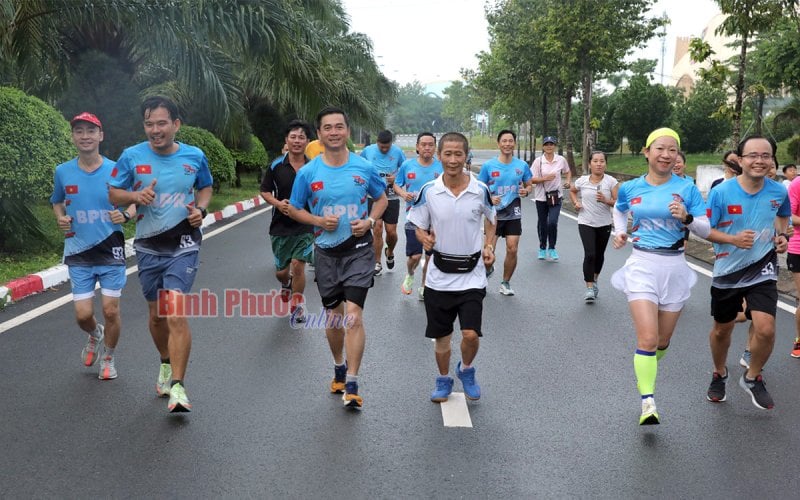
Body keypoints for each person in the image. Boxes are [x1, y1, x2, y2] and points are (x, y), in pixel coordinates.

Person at [108, 96, 213, 413]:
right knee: (157, 315)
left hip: (183, 243)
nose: (155, 130)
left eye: (162, 123)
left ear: (176, 124)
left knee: (175, 311)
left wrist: (202, 210)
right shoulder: (131, 156)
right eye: (149, 124)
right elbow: (113, 194)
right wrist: (135, 195)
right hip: (148, 245)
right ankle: (165, 362)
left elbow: (205, 187)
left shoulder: (194, 156)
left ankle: (178, 387)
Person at [288, 106, 387, 409]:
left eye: (339, 127)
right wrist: (318, 222)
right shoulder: (308, 173)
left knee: (354, 315)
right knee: (334, 318)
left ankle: (354, 382)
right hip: (326, 252)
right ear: (319, 134)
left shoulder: (363, 168)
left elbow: (381, 198)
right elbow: (294, 208)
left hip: (358, 250)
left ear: (347, 130)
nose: (334, 132)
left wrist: (369, 222)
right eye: (327, 127)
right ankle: (339, 366)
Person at [611, 127, 710, 425]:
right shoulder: (631, 188)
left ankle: (647, 367)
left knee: (663, 341)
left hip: (675, 267)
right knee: (649, 337)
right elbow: (619, 210)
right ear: (646, 152)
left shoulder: (688, 188)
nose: (666, 155)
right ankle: (648, 401)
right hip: (642, 265)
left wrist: (687, 217)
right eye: (660, 149)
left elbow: (704, 230)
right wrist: (620, 231)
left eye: (671, 150)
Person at [407, 132, 496, 403]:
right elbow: (416, 223)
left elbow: (492, 220)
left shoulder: (480, 190)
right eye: (448, 154)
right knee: (442, 339)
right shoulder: (429, 192)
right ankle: (443, 379)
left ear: (466, 156)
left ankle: (466, 370)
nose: (453, 160)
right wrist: (424, 237)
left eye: (459, 154)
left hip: (472, 275)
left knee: (470, 334)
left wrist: (489, 246)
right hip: (438, 277)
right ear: (439, 156)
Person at [704, 136, 790, 410]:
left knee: (766, 329)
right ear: (739, 160)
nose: (760, 160)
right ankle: (719, 372)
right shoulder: (721, 192)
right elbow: (707, 230)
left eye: (766, 156)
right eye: (753, 155)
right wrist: (733, 240)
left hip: (763, 268)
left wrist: (781, 237)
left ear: (772, 160)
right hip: (728, 271)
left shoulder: (778, 192)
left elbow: (782, 218)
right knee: (721, 330)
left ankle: (752, 377)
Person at [51, 112, 135, 380]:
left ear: (101, 135)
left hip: (111, 248)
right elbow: (57, 201)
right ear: (73, 136)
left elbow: (135, 200)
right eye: (79, 131)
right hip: (78, 251)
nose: (85, 136)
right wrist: (61, 218)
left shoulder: (116, 170)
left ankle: (108, 358)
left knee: (111, 309)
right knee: (83, 315)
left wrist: (126, 215)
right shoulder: (63, 171)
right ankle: (95, 334)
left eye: (90, 130)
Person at [260, 120, 315, 323]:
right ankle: (286, 284)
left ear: (308, 141)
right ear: (286, 140)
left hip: (305, 224)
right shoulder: (276, 166)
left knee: (298, 265)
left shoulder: (313, 167)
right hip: (280, 226)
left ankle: (298, 305)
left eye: (301, 137)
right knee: (282, 271)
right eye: (293, 137)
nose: (297, 141)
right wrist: (278, 204)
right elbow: (265, 191)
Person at [478, 129, 532, 295]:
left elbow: (529, 184)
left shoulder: (521, 166)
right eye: (504, 141)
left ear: (514, 143)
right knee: (488, 250)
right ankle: (487, 270)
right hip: (493, 214)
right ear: (499, 143)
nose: (508, 144)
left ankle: (505, 283)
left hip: (513, 212)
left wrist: (526, 191)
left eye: (510, 141)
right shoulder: (488, 166)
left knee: (512, 248)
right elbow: (479, 188)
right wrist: (489, 198)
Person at [393, 132, 443, 300]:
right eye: (423, 144)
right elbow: (397, 185)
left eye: (430, 144)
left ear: (435, 148)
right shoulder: (407, 166)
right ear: (417, 147)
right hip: (413, 217)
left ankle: (424, 286)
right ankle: (410, 274)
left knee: (430, 256)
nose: (427, 147)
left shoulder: (441, 167)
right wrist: (403, 193)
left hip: (435, 219)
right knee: (414, 256)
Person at [569, 151, 619, 302]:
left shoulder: (611, 182)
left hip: (604, 223)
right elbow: (572, 190)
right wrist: (576, 203)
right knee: (590, 254)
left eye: (602, 161)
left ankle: (595, 279)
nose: (599, 164)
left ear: (605, 164)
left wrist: (606, 200)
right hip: (586, 222)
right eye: (595, 161)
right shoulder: (582, 181)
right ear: (590, 164)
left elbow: (618, 202)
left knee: (599, 254)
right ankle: (589, 287)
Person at [360, 130, 406, 276]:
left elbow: (405, 169)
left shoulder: (398, 152)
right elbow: (359, 167)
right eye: (381, 147)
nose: (384, 149)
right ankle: (377, 262)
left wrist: (396, 179)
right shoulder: (368, 151)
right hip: (373, 196)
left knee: (391, 232)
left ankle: (390, 251)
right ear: (377, 142)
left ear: (391, 143)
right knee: (377, 228)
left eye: (387, 147)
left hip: (391, 196)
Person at [530, 136, 571, 261]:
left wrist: (568, 181)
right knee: (543, 223)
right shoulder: (538, 161)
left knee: (552, 222)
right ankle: (542, 247)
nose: (549, 146)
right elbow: (531, 179)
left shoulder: (561, 160)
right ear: (543, 146)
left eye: (551, 144)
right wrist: (545, 178)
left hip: (556, 196)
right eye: (546, 144)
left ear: (555, 146)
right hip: (541, 197)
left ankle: (552, 248)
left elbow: (568, 171)